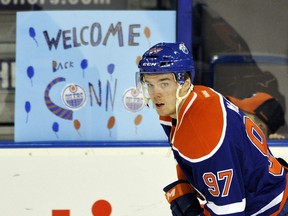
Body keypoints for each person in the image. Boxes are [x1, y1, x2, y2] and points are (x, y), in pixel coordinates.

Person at [136, 42, 288, 215]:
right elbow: (185, 144)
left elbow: (230, 211)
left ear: (185, 83)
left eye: (164, 83)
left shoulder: (205, 137)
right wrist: (186, 182)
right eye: (149, 84)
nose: (156, 93)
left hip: (271, 208)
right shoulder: (190, 100)